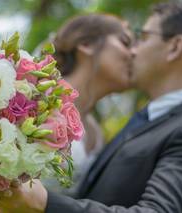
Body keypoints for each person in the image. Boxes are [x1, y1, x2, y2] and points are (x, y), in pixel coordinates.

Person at [0, 1, 182, 212]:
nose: (133, 52)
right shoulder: (146, 121)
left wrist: (46, 203)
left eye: (144, 37)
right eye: (127, 42)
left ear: (175, 46)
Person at [44, 14, 133, 194]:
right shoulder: (38, 101)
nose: (133, 54)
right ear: (86, 45)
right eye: (125, 42)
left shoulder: (95, 131)